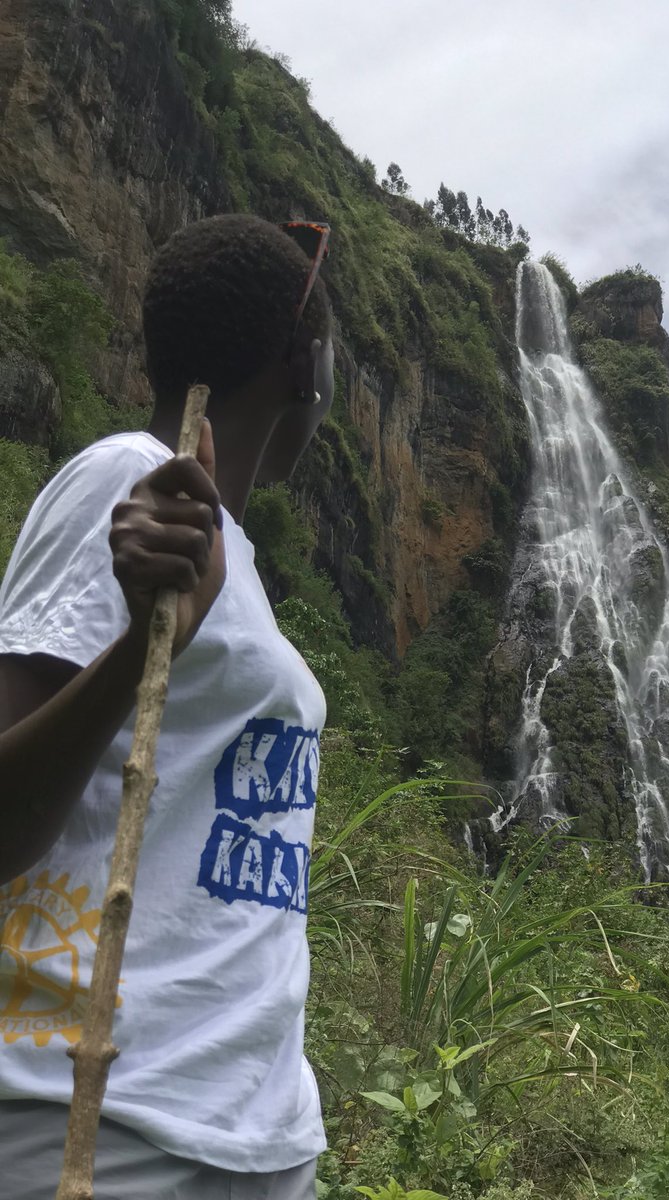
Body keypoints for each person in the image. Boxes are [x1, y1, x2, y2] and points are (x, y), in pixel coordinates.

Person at [0, 213, 335, 1198]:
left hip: (250, 1135)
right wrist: (137, 650)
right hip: (104, 1120)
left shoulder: (227, 551)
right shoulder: (127, 481)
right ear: (306, 363)